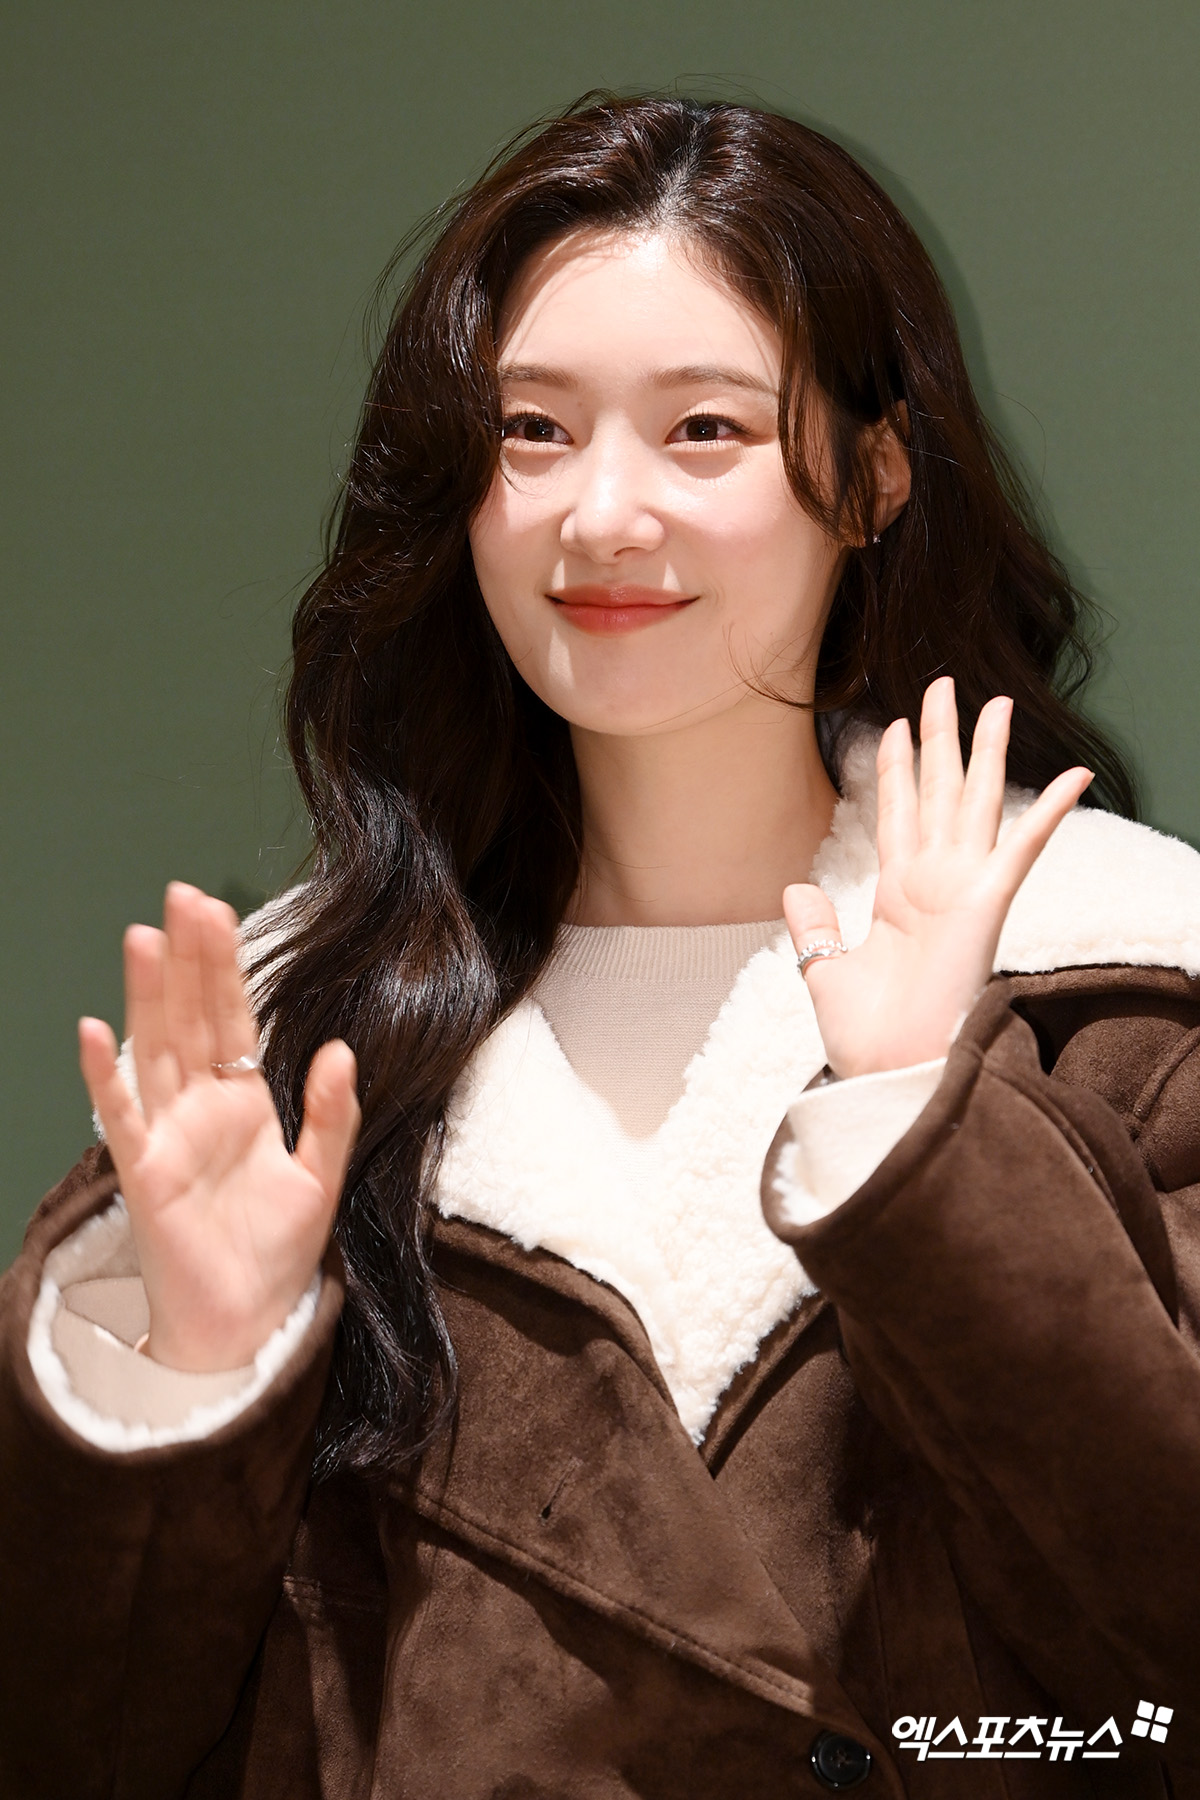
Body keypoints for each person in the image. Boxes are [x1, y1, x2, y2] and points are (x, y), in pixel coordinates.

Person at [2, 92, 1199, 1800]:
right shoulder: (298, 1054)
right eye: (533, 432)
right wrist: (192, 1376)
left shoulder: (1118, 990)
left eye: (704, 429)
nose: (601, 513)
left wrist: (923, 1137)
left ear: (872, 476)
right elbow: (80, 1747)